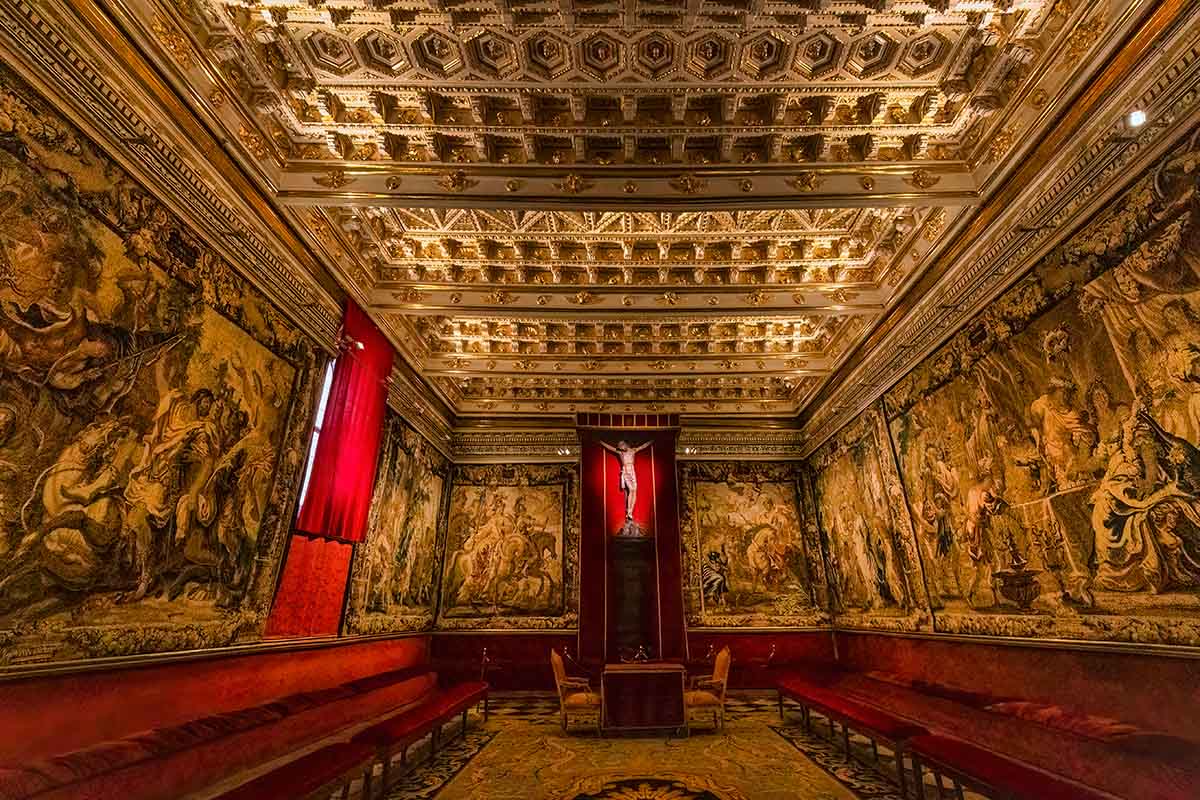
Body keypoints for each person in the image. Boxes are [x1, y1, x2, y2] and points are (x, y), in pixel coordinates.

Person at [599, 439, 652, 528]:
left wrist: (651, 441)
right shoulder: (621, 453)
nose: (620, 447)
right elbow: (610, 448)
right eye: (619, 446)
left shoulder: (633, 450)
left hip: (632, 470)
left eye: (621, 445)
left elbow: (643, 446)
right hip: (626, 471)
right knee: (631, 490)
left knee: (634, 491)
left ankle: (630, 512)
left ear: (625, 444)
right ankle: (629, 512)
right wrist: (601, 442)